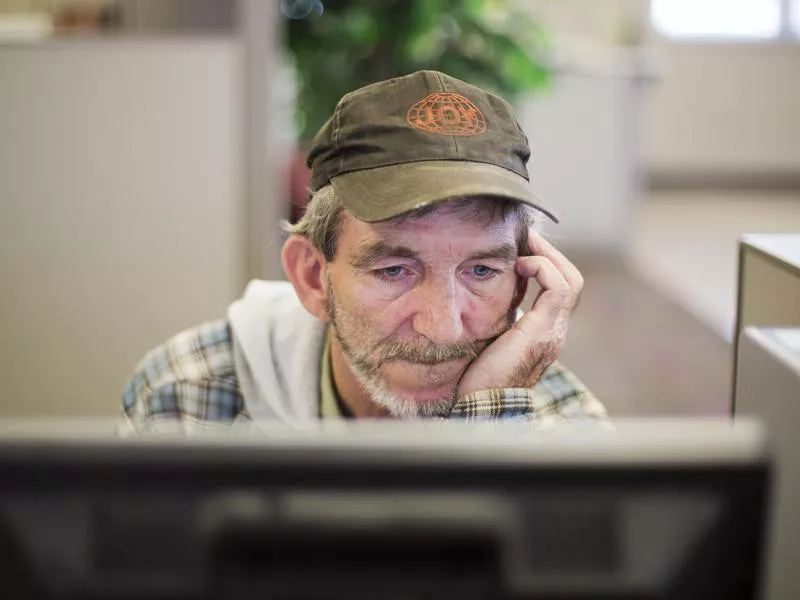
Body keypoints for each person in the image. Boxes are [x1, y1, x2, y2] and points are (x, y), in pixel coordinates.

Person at [121, 70, 607, 435]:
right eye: (394, 270)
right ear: (313, 278)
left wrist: (491, 417)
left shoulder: (564, 429)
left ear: (524, 280)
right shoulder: (183, 399)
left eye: (481, 270)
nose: (443, 327)